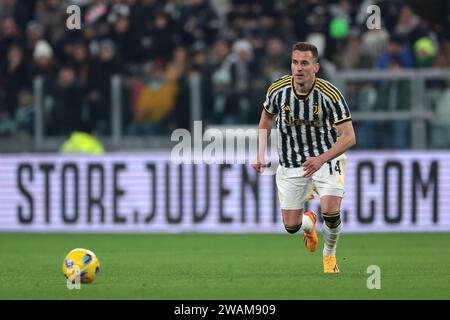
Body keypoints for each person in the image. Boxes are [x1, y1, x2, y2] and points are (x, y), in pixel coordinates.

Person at [252, 42, 356, 273]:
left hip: (327, 159)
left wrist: (321, 158)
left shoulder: (330, 95)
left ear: (315, 67)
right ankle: (309, 224)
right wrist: (260, 154)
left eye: (304, 63)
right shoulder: (277, 90)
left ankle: (329, 256)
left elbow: (349, 137)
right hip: (291, 163)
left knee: (330, 210)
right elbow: (266, 119)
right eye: (295, 62)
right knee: (291, 226)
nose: (298, 68)